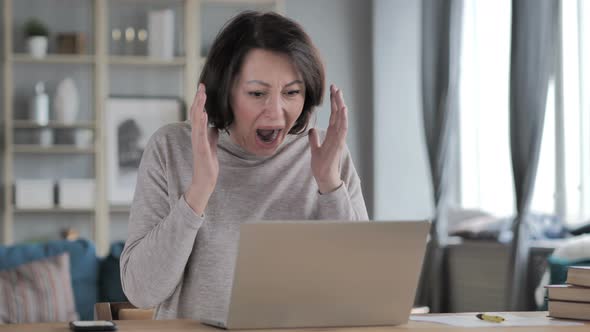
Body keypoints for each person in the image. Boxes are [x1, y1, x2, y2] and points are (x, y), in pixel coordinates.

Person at [120, 11, 369, 321]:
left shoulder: (327, 153)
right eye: (257, 93)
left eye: (292, 93)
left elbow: (360, 288)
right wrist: (198, 191)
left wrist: (330, 184)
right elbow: (141, 291)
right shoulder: (171, 148)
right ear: (225, 91)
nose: (276, 112)